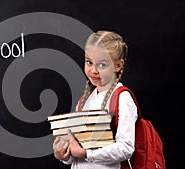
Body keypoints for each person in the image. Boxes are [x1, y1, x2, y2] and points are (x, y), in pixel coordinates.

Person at [52, 30, 138, 169]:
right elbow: (77, 153)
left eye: (102, 65)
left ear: (118, 65)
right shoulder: (83, 101)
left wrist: (87, 153)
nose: (93, 70)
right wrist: (65, 155)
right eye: (89, 62)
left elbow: (126, 148)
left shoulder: (122, 98)